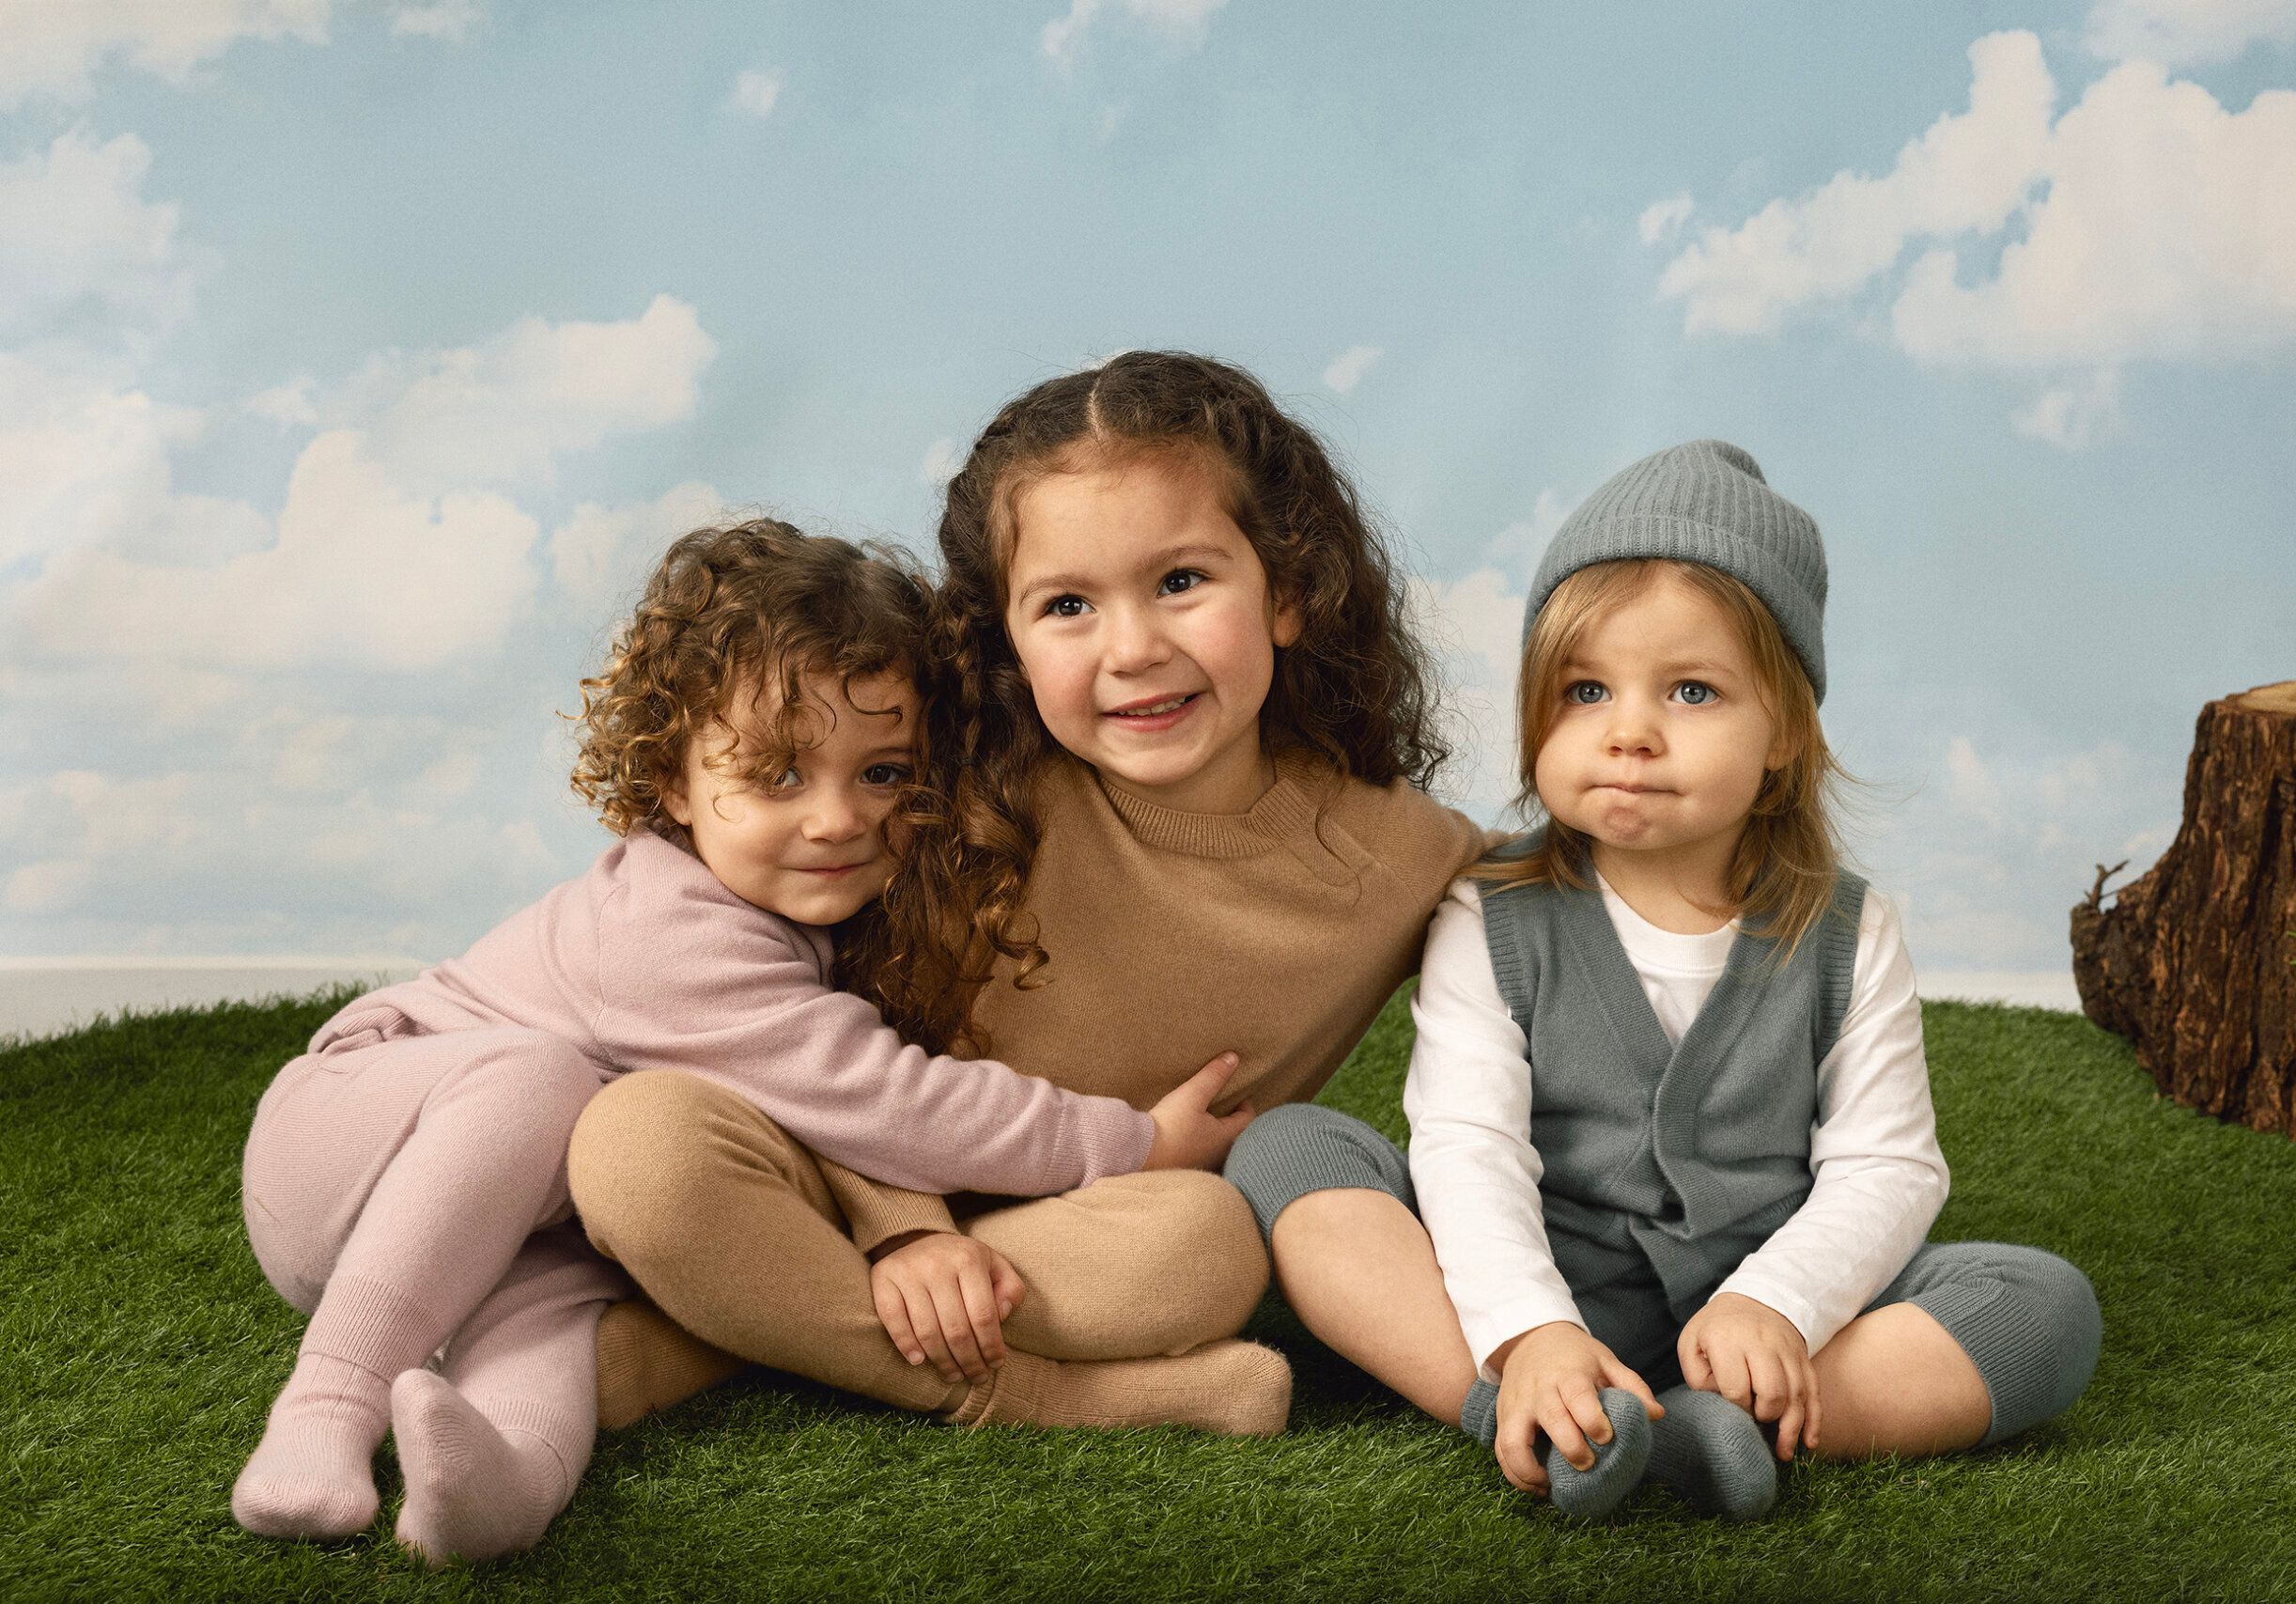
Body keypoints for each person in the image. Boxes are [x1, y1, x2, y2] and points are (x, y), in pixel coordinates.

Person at [232, 522, 1244, 1565]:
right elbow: (885, 1100)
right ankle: (326, 1407)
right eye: (778, 776)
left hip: (516, 1229)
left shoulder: (817, 920)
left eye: (887, 773)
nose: (838, 819)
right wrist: (1128, 1142)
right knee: (538, 1080)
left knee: (555, 1320)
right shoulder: (669, 931)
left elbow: (831, 1111)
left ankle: (503, 1492)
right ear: (671, 782)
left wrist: (909, 1230)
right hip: (349, 1150)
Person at [568, 351, 1489, 1436]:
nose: (1134, 649)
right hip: (834, 1180)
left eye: (1181, 582)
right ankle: (1040, 1396)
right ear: (1003, 633)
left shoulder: (1407, 860)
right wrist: (903, 1233)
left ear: (1287, 591)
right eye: (1066, 605)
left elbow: (1588, 908)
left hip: (1080, 1237)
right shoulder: (959, 791)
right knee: (636, 1146)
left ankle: (722, 1335)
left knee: (1208, 1243)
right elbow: (826, 1046)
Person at [1224, 441, 2102, 1520]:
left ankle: (1711, 1427)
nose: (1629, 732)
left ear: (1783, 729)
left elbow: (1886, 1166)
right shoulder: (1488, 912)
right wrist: (1532, 1331)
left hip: (1763, 1323)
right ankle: (1534, 1408)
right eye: (1584, 690)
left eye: (1691, 691)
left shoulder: (1845, 930)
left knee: (2038, 1304)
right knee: (1290, 1149)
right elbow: (1471, 1147)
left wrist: (1774, 1303)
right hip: (1532, 1292)